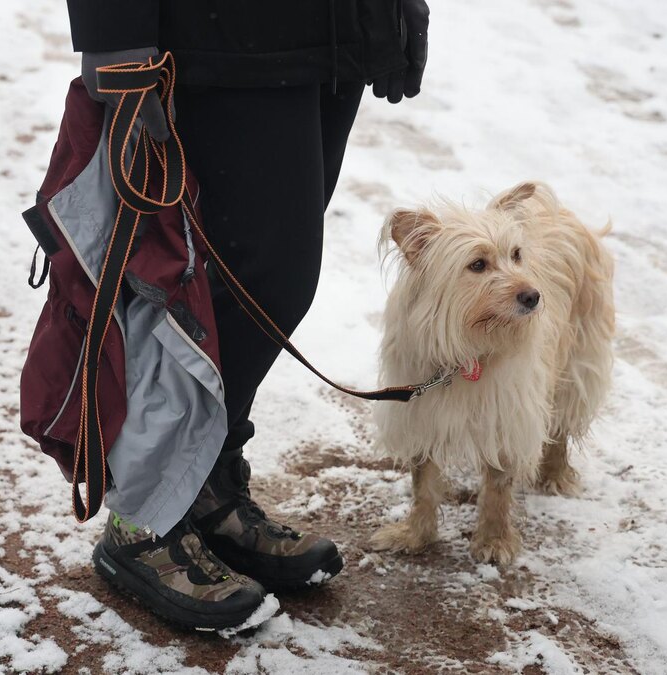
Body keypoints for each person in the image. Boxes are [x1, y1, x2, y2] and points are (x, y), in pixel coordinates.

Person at [66, 0, 430, 630]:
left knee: (246, 283)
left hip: (327, 32)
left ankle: (205, 486)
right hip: (220, 35)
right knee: (257, 281)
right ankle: (144, 515)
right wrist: (113, 32)